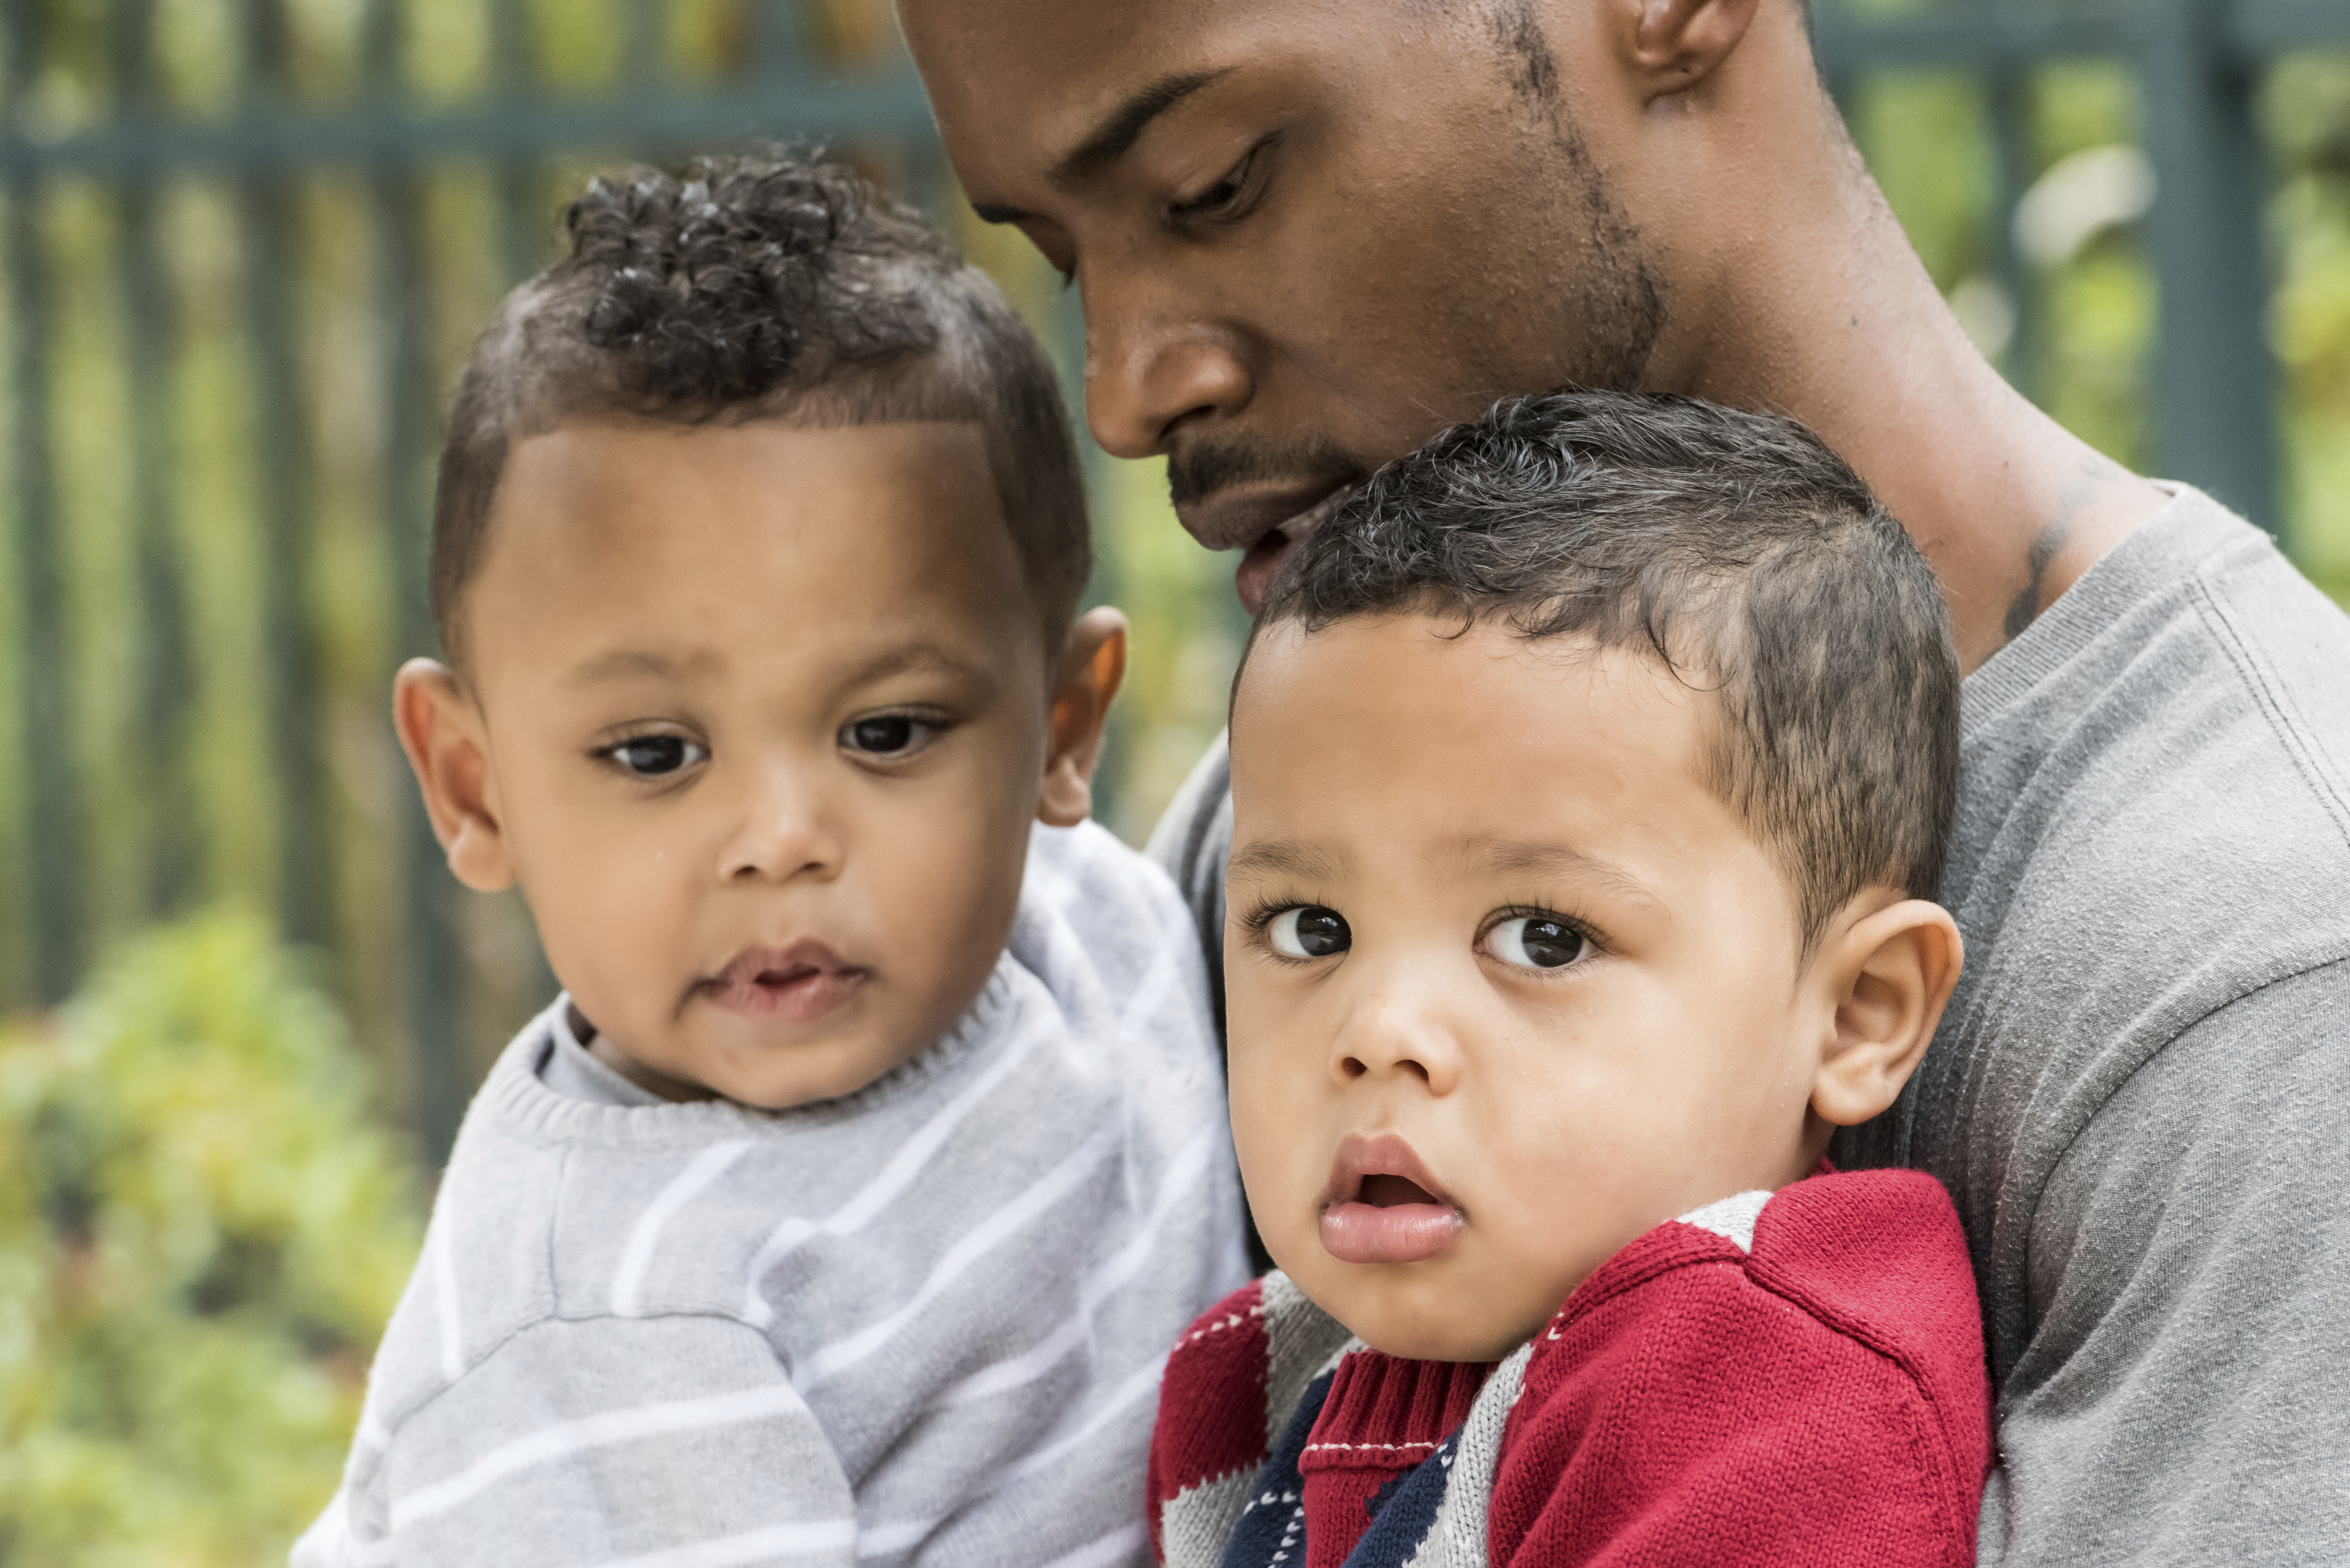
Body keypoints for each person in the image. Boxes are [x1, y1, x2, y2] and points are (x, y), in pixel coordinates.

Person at [896, 0, 2350, 1557]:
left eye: (1217, 184)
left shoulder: (2256, 980)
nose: (1122, 393)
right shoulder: (1284, 838)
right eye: (1063, 258)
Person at [291, 151, 1248, 1568]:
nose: (783, 838)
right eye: (656, 755)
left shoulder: (1097, 925)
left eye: (888, 729)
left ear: (1062, 728)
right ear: (471, 785)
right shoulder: (611, 1321)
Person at [1146, 390, 1990, 1568]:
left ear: (1858, 1014)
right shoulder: (1258, 1374)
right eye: (1309, 927)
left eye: (1543, 938)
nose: (1379, 1031)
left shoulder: (1763, 1393)